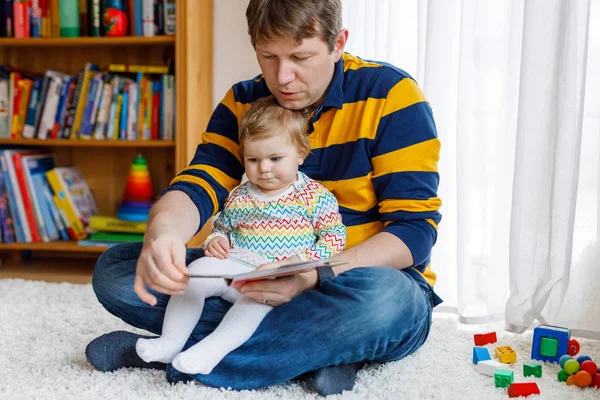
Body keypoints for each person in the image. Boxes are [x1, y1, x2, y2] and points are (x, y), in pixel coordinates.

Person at [86, 0, 443, 396]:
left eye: (300, 57)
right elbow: (199, 183)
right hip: (255, 272)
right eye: (268, 56)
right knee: (117, 271)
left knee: (385, 303)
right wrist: (163, 233)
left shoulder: (392, 95)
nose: (283, 76)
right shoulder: (244, 101)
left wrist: (315, 273)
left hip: (354, 278)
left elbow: (414, 232)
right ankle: (320, 352)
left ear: (338, 43)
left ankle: (185, 354)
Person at [135, 96, 346, 375]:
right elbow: (223, 226)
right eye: (253, 159)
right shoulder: (239, 195)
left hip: (280, 279)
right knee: (194, 273)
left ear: (300, 153)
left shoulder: (314, 197)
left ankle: (210, 352)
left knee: (256, 301)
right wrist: (215, 241)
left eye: (275, 158)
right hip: (236, 265)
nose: (264, 168)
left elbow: (334, 239)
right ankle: (171, 342)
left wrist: (299, 261)